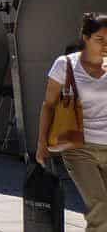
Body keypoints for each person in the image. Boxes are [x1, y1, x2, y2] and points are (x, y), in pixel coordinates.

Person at [38, 13, 107, 231]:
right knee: (101, 208)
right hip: (79, 147)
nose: (106, 45)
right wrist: (41, 144)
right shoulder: (65, 65)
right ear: (85, 38)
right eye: (100, 39)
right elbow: (48, 105)